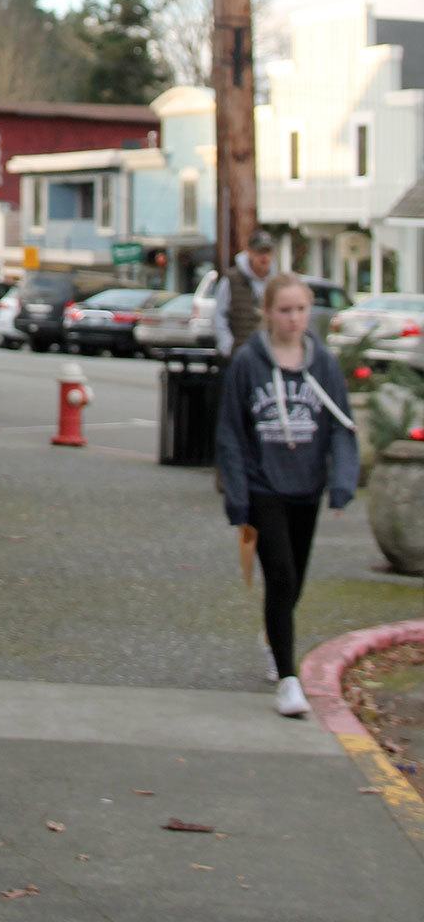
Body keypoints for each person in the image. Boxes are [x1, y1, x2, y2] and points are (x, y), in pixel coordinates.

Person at [215, 273, 359, 717]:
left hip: (306, 486)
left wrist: (341, 483)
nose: (294, 319)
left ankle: (274, 639)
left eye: (301, 310)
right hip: (264, 486)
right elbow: (231, 434)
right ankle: (289, 680)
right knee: (279, 575)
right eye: (284, 310)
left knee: (294, 580)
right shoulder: (248, 362)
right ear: (268, 313)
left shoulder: (324, 364)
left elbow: (341, 425)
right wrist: (237, 497)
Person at [213, 228, 277, 357]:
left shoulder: (276, 282)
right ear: (250, 252)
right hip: (239, 353)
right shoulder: (231, 280)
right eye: (260, 252)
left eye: (268, 252)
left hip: (269, 354)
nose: (264, 257)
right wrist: (227, 346)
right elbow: (218, 316)